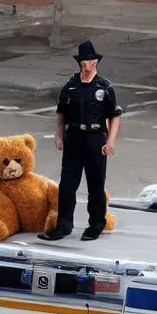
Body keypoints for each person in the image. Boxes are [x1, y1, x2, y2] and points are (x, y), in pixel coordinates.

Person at [39, 40, 123, 242]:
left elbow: (115, 116)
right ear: (79, 63)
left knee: (95, 184)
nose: (87, 65)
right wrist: (59, 135)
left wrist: (110, 142)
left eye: (90, 61)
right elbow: (61, 113)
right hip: (74, 138)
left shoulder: (104, 87)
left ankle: (96, 224)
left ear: (96, 62)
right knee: (67, 184)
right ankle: (63, 226)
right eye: (84, 61)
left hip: (95, 138)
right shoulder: (70, 87)